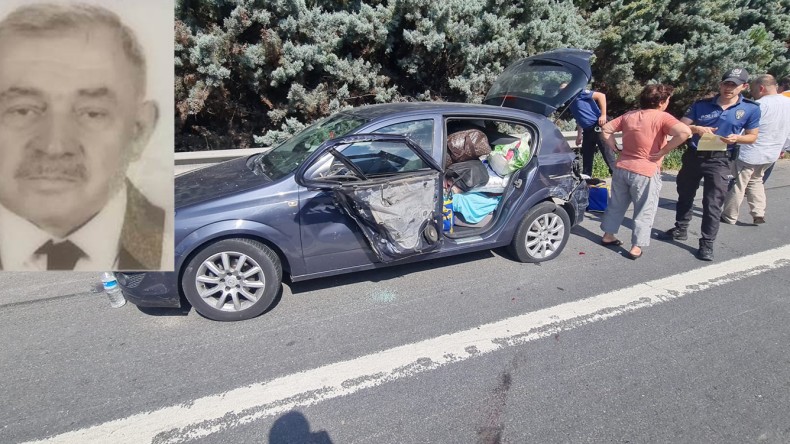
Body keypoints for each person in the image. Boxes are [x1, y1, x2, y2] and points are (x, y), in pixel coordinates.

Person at [0, 3, 167, 271]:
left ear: (139, 131)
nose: (55, 146)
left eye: (92, 113)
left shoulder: (175, 238)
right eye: (22, 110)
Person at [662, 68, 760, 261]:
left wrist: (738, 138)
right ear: (720, 84)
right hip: (694, 156)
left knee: (713, 203)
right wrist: (695, 128)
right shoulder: (702, 104)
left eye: (734, 85)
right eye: (726, 84)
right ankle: (680, 228)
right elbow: (681, 126)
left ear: (744, 87)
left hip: (720, 159)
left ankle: (707, 244)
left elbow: (753, 136)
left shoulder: (750, 108)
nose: (728, 88)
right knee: (685, 194)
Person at [599, 84, 691, 259]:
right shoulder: (662, 117)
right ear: (661, 102)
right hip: (646, 170)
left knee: (616, 204)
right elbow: (684, 132)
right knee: (644, 210)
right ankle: (636, 247)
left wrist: (615, 147)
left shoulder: (629, 115)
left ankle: (608, 235)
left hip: (622, 167)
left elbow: (606, 129)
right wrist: (664, 151)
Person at [721, 75, 790, 224]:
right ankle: (758, 212)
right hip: (772, 152)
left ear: (761, 88)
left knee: (738, 183)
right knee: (756, 180)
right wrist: (784, 147)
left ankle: (729, 215)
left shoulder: (758, 105)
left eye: (753, 90)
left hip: (751, 152)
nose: (752, 93)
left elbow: (744, 128)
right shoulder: (788, 103)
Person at [564, 84, 616, 177]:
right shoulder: (570, 102)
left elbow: (601, 96)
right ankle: (587, 182)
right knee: (587, 158)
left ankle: (618, 177)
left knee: (608, 155)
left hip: (598, 126)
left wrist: (603, 115)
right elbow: (579, 118)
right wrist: (579, 135)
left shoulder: (579, 93)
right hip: (587, 131)